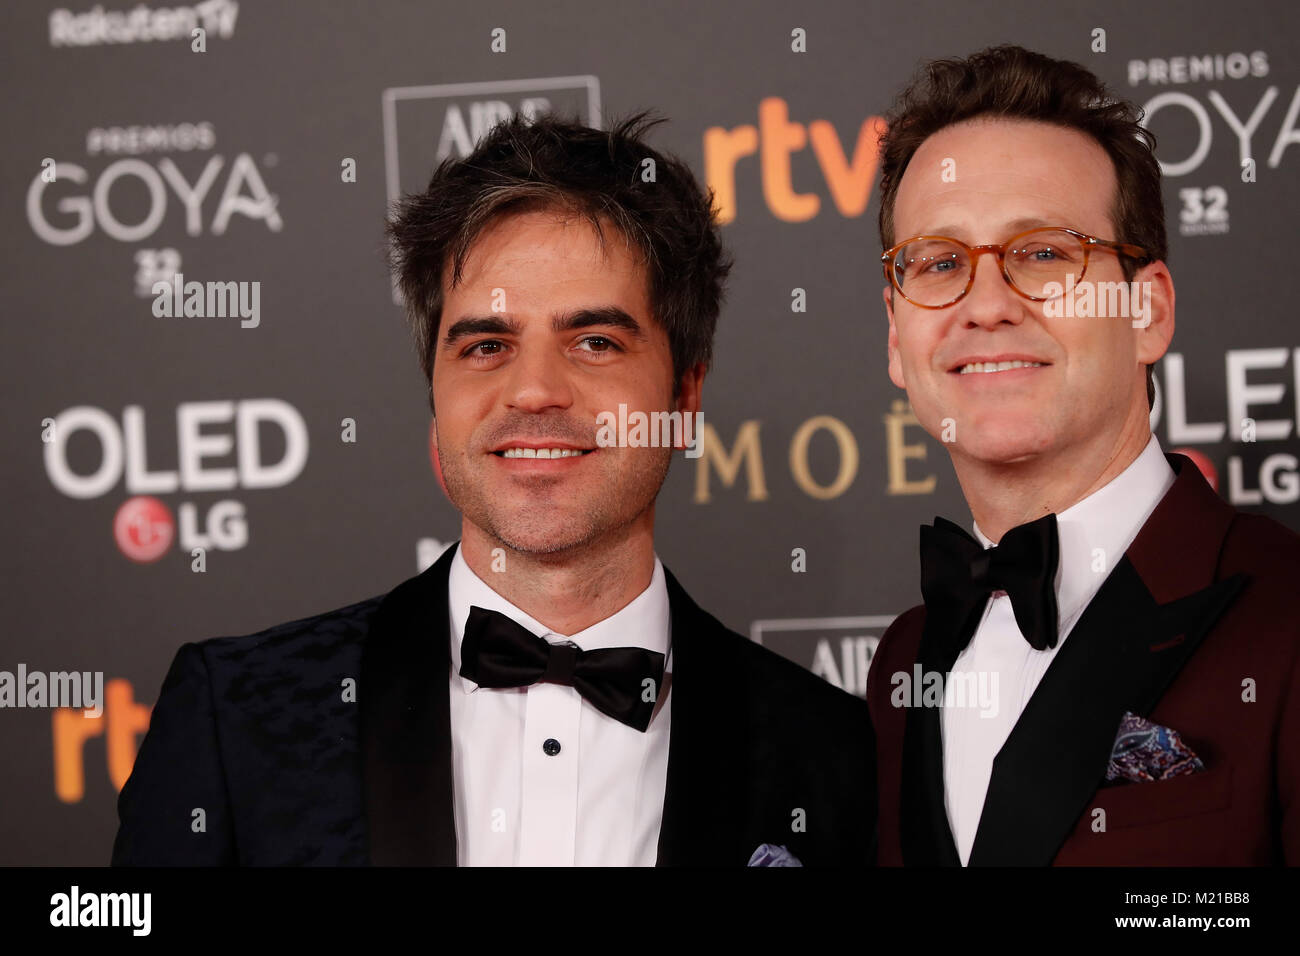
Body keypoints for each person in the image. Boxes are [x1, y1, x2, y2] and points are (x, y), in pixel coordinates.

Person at [112, 111, 875, 867]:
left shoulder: (830, 751)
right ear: (435, 397)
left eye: (595, 341)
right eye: (486, 345)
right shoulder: (236, 715)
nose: (534, 390)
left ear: (683, 398)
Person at [866, 45, 1300, 865]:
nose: (986, 305)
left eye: (1042, 253)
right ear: (897, 338)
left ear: (1150, 311)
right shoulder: (902, 661)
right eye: (941, 262)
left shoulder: (1287, 617)